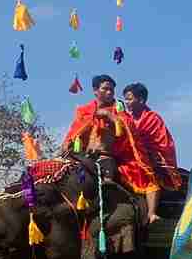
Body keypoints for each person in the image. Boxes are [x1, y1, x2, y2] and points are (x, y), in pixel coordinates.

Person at [65, 75, 176, 214]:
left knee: (142, 178)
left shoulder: (118, 110)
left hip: (106, 158)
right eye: (106, 89)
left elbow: (127, 127)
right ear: (95, 90)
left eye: (112, 90)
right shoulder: (84, 111)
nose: (110, 92)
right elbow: (74, 132)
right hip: (83, 157)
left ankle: (150, 214)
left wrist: (111, 117)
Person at [120, 82, 179, 221]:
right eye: (125, 99)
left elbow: (163, 143)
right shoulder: (126, 117)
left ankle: (151, 213)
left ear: (141, 100)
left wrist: (145, 154)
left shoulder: (152, 118)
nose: (126, 102)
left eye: (129, 99)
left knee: (149, 178)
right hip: (129, 157)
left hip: (148, 159)